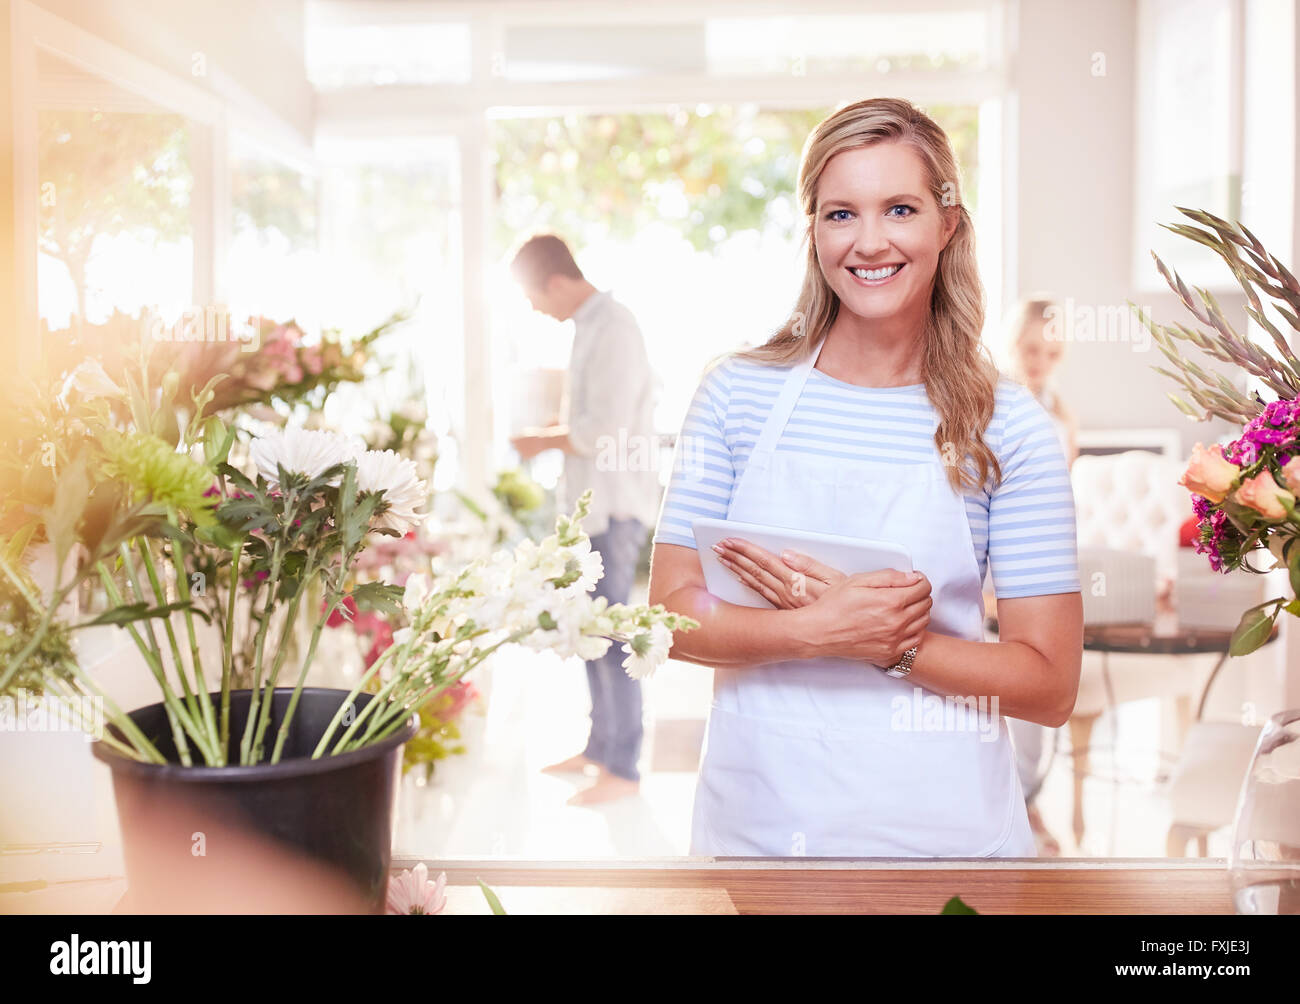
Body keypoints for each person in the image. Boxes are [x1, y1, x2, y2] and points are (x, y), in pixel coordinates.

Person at [648, 98, 1083, 857]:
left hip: (945, 843)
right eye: (841, 213)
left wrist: (892, 647)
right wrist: (814, 629)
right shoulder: (735, 395)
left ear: (947, 225)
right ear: (813, 229)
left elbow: (1048, 686)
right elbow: (670, 615)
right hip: (761, 834)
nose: (869, 242)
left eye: (901, 208)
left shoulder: (1009, 425)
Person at [508, 233, 661, 806]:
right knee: (592, 633)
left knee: (614, 636)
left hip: (614, 509)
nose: (534, 309)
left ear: (554, 281)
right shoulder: (590, 327)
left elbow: (608, 430)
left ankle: (623, 768)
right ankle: (600, 750)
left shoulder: (614, 327)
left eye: (532, 297)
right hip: (592, 510)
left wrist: (540, 439)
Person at [997, 295, 1080, 856]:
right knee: (1014, 684)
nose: (1038, 362)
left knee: (1045, 686)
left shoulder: (1063, 416)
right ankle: (1013, 802)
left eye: (1050, 353)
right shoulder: (995, 406)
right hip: (1000, 568)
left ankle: (1026, 799)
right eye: (1030, 350)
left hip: (1043, 559)